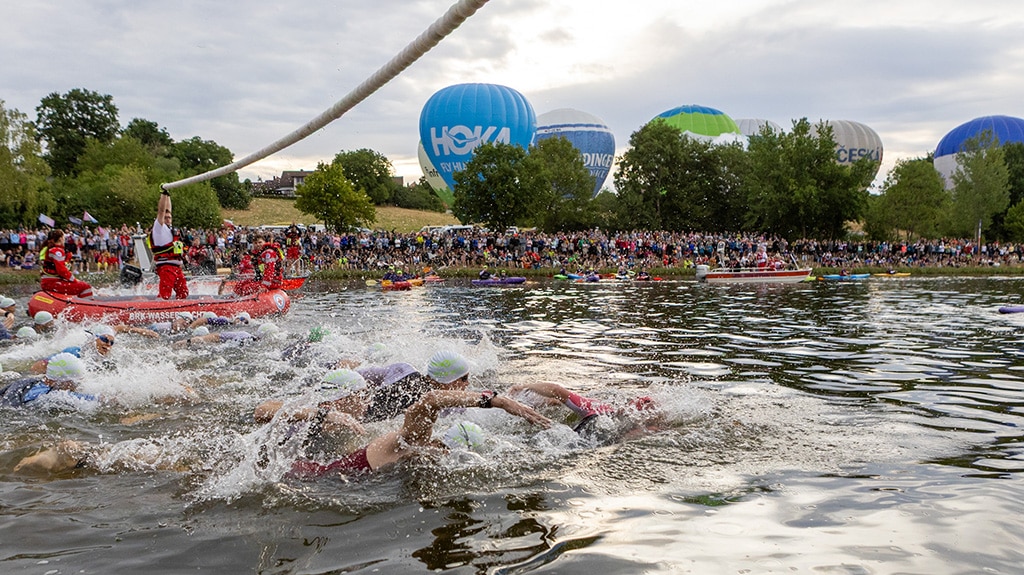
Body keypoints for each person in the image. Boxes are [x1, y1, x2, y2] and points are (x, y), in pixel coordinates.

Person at [287, 385, 551, 479]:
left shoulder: (413, 457)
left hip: (321, 478)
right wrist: (498, 401)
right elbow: (430, 399)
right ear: (443, 446)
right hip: (304, 478)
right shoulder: (408, 442)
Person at [509, 381, 660, 443]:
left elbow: (556, 391)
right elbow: (556, 395)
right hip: (595, 441)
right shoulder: (647, 429)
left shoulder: (598, 406)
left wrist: (523, 387)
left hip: (583, 431)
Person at [0, 352, 94, 408]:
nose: (77, 385)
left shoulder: (25, 382)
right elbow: (81, 398)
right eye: (76, 382)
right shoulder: (49, 395)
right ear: (60, 380)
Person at [148, 187, 188, 300]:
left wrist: (168, 194)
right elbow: (162, 211)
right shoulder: (158, 228)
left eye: (170, 218)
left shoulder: (171, 230)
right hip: (166, 267)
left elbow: (168, 209)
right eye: (166, 218)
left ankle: (181, 311)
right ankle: (158, 309)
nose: (168, 219)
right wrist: (163, 194)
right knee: (165, 294)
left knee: (183, 293)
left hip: (176, 267)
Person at [39, 229, 93, 298]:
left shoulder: (50, 249)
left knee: (79, 285)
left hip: (48, 281)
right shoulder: (57, 251)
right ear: (60, 239)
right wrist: (74, 280)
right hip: (52, 282)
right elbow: (61, 270)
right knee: (86, 287)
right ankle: (87, 306)